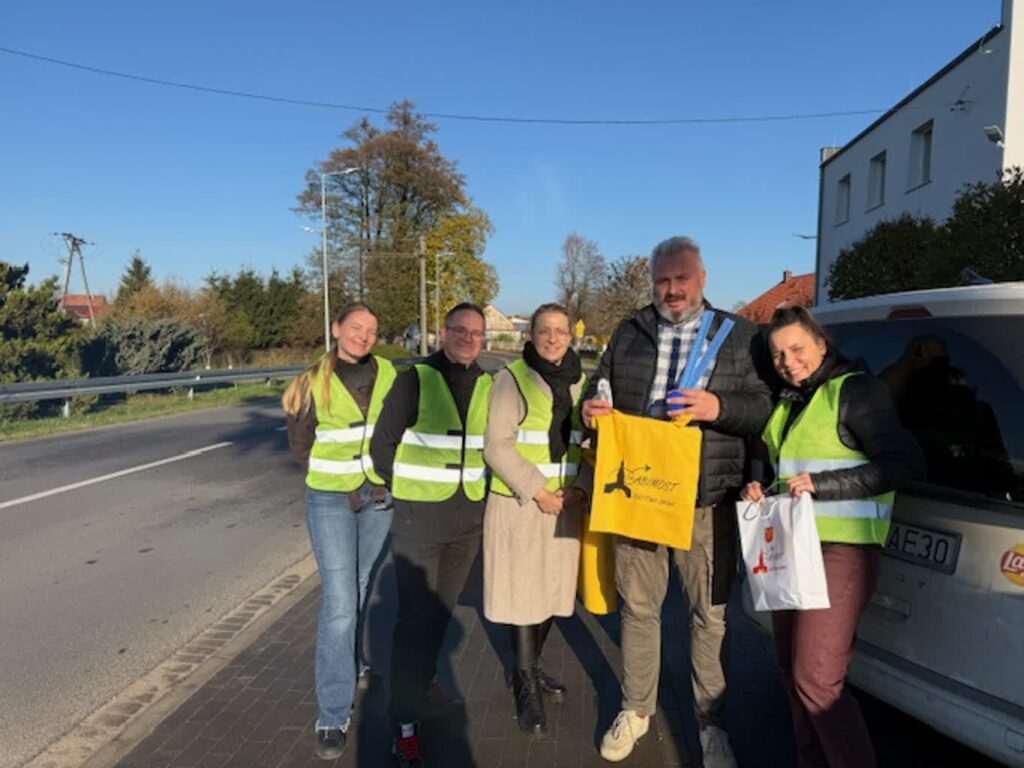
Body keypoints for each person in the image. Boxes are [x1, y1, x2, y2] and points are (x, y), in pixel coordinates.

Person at [581, 236, 773, 766]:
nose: (671, 289)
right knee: (639, 610)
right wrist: (593, 405)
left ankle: (711, 725)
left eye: (681, 278)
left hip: (706, 499)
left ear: (702, 279)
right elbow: (597, 387)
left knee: (709, 618)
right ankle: (636, 708)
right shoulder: (630, 331)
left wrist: (718, 405)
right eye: (663, 280)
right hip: (639, 494)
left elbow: (763, 410)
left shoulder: (740, 337)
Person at [741, 306, 924, 768]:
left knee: (817, 679)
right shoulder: (790, 401)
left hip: (842, 551)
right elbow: (783, 467)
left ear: (822, 344)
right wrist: (760, 485)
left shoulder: (855, 390)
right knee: (790, 669)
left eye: (797, 348)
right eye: (778, 354)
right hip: (791, 548)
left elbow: (904, 463)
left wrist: (823, 486)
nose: (788, 360)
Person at [370, 302, 492, 768]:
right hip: (420, 521)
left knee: (439, 616)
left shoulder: (487, 384)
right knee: (413, 623)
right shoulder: (415, 379)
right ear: (444, 332)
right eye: (459, 330)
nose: (467, 338)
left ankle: (421, 686)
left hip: (467, 523)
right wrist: (408, 493)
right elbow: (382, 445)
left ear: (483, 339)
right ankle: (403, 723)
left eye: (475, 332)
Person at [282, 302, 397, 761]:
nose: (363, 337)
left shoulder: (391, 373)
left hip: (380, 497)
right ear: (337, 329)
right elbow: (301, 447)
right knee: (339, 603)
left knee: (362, 583)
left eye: (371, 331)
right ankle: (332, 712)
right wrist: (342, 481)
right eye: (355, 328)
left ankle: (355, 661)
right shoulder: (311, 382)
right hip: (331, 499)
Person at [482, 303, 589, 735]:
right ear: (532, 335)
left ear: (570, 335)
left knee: (549, 593)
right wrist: (538, 490)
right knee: (525, 595)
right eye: (544, 330)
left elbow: (588, 441)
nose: (552, 337)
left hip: (566, 504)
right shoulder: (511, 380)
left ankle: (529, 667)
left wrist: (581, 485)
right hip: (523, 503)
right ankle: (526, 685)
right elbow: (497, 445)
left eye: (560, 331)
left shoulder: (582, 383)